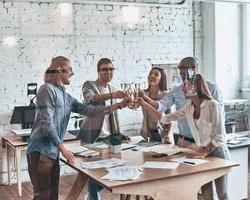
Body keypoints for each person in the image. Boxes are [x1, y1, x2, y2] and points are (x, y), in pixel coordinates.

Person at [26, 56, 129, 200]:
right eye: (70, 69)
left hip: (52, 153)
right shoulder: (46, 90)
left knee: (51, 196)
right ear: (61, 69)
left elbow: (89, 110)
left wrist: (118, 105)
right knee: (43, 196)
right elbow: (46, 122)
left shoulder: (66, 96)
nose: (72, 73)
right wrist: (63, 149)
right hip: (40, 152)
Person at [138, 73, 230, 200]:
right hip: (202, 153)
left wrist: (204, 152)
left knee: (222, 195)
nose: (182, 89)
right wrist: (145, 105)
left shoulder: (213, 106)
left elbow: (220, 137)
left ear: (195, 87)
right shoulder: (189, 107)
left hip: (218, 153)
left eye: (185, 85)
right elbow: (165, 119)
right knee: (207, 194)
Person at [77, 58, 129, 200]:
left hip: (108, 137)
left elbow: (112, 112)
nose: (108, 72)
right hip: (92, 135)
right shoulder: (89, 85)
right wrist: (113, 95)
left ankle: (91, 196)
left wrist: (122, 104)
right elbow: (91, 99)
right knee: (94, 172)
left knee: (110, 169)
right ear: (98, 71)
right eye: (105, 69)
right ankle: (93, 197)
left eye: (111, 69)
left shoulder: (113, 88)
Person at [141, 57, 223, 145]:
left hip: (208, 144)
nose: (183, 78)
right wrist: (145, 100)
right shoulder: (188, 106)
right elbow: (163, 111)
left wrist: (205, 150)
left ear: (194, 70)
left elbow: (220, 127)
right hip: (184, 142)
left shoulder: (213, 95)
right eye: (181, 74)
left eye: (185, 74)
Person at [139, 67, 171, 143]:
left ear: (161, 79)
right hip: (147, 133)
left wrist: (167, 136)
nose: (152, 76)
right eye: (150, 73)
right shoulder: (143, 93)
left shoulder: (165, 95)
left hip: (162, 132)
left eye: (156, 75)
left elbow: (169, 118)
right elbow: (134, 105)